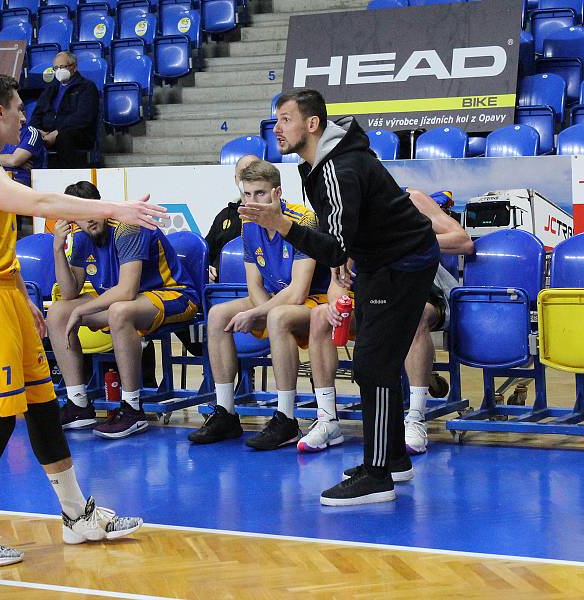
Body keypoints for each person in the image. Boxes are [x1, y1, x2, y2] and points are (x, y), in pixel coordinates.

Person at [0, 73, 165, 567]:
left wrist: (24, 300)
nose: (24, 117)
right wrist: (115, 206)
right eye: (18, 108)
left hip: (3, 296)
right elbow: (39, 204)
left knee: (41, 405)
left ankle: (77, 515)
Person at [240, 89, 439, 506]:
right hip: (379, 260)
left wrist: (282, 225)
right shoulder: (319, 164)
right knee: (374, 360)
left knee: (372, 363)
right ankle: (395, 459)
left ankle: (378, 474)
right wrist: (342, 258)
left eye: (286, 119)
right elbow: (343, 237)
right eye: (276, 119)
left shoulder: (338, 168)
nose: (276, 128)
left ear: (312, 125)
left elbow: (332, 242)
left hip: (401, 263)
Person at [297, 189, 473, 460]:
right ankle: (328, 420)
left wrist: (410, 241)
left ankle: (415, 419)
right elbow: (337, 282)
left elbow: (463, 241)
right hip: (375, 300)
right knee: (321, 315)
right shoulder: (348, 217)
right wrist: (337, 304)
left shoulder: (411, 199)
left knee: (412, 314)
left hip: (423, 293)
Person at [188, 160, 331, 449]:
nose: (252, 202)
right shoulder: (248, 223)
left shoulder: (302, 220)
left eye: (261, 194)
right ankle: (226, 413)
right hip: (275, 299)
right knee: (217, 315)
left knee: (278, 317)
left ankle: (286, 419)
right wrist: (260, 310)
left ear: (277, 193)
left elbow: (298, 291)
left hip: (318, 299)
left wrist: (258, 314)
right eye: (247, 194)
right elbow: (255, 285)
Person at [46, 181, 200, 439]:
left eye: (91, 211)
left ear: (102, 206)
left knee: (119, 311)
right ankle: (78, 404)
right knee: (58, 312)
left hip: (173, 295)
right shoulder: (83, 238)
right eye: (79, 216)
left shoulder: (128, 227)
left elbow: (127, 290)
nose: (88, 221)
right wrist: (57, 249)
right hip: (126, 301)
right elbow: (70, 292)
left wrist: (82, 312)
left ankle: (132, 408)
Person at [29, 51, 99, 169]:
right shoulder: (50, 89)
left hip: (78, 133)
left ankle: (69, 176)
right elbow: (37, 114)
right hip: (48, 133)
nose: (59, 71)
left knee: (64, 137)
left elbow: (83, 117)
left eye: (62, 67)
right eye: (55, 68)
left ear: (74, 67)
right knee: (29, 135)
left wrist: (57, 132)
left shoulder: (86, 87)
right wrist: (38, 131)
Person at [205, 154, 261, 283]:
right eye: (244, 172)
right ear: (236, 179)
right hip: (224, 287)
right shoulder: (224, 215)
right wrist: (205, 270)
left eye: (254, 170)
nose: (249, 176)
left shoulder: (278, 215)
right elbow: (206, 253)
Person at [0, 122, 46, 238]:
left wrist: (4, 160)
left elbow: (14, 160)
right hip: (1, 180)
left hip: (24, 182)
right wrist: (7, 159)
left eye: (21, 111)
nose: (23, 117)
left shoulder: (31, 132)